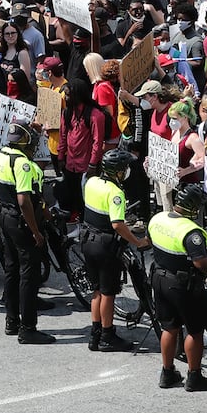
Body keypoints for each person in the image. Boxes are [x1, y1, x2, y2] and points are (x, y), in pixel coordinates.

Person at [149, 183, 207, 389]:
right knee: (195, 330)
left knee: (169, 327)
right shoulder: (192, 232)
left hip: (159, 279)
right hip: (183, 286)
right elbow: (200, 262)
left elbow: (148, 241)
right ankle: (194, 376)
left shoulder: (158, 218)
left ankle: (167, 372)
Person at [0, 123, 56, 345]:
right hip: (21, 222)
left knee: (12, 270)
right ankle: (28, 328)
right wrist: (36, 231)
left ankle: (11, 321)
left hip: (5, 218)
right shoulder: (23, 165)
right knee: (29, 274)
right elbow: (24, 200)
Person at [81, 148, 151, 351]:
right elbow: (117, 224)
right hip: (105, 246)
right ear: (118, 171)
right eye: (125, 168)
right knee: (108, 293)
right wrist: (137, 242)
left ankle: (95, 335)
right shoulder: (116, 193)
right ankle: (107, 335)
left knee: (96, 291)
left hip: (87, 240)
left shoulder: (92, 181)